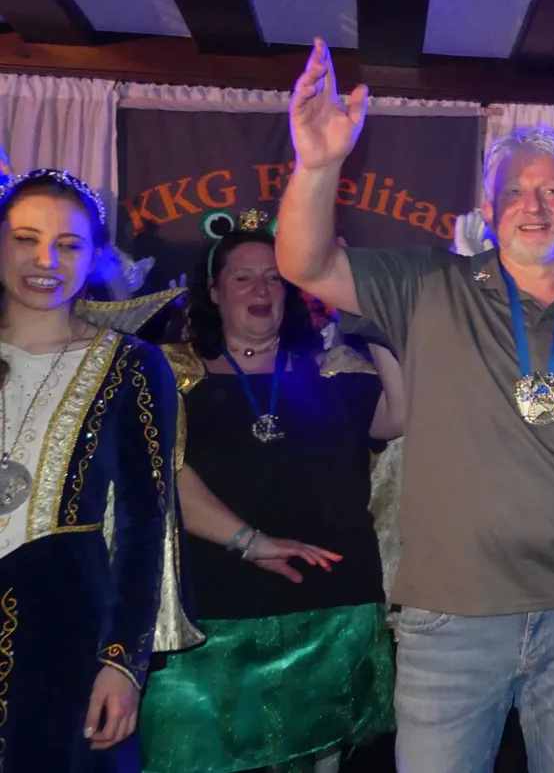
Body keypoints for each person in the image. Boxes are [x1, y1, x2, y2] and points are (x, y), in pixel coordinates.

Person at [274, 38, 554, 773]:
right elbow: (303, 263)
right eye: (515, 192)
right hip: (451, 621)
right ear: (490, 210)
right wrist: (317, 166)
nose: (533, 206)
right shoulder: (429, 286)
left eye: (552, 191)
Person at [139, 220, 403, 773]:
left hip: (329, 613)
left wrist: (368, 313)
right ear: (214, 291)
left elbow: (400, 417)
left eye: (274, 278)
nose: (261, 290)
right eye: (243, 278)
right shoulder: (169, 377)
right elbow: (160, 477)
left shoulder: (333, 373)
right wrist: (248, 540)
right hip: (211, 620)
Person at [0, 169, 199, 770]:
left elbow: (144, 524)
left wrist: (122, 661)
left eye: (68, 244)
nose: (45, 260)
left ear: (92, 258)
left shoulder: (133, 365)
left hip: (64, 625)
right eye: (25, 238)